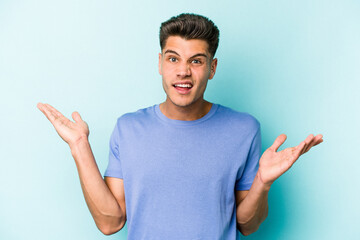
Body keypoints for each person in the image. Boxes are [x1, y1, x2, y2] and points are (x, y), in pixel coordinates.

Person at [37, 13, 323, 239]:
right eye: (173, 58)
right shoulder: (128, 129)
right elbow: (110, 222)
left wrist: (262, 182)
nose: (183, 70)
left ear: (212, 68)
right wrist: (79, 146)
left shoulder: (244, 129)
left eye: (196, 61)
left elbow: (248, 226)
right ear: (160, 63)